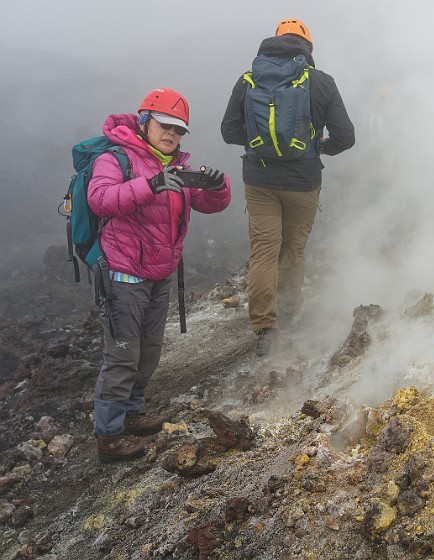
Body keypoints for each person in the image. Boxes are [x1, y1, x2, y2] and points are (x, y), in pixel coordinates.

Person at [88, 87, 231, 461]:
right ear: (145, 122)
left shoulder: (175, 168)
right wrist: (148, 186)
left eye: (179, 130)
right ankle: (109, 436)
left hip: (158, 276)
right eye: (165, 125)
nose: (172, 134)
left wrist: (219, 187)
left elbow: (208, 204)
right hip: (123, 276)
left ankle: (133, 413)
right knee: (121, 354)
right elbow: (100, 198)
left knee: (148, 351)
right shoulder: (115, 157)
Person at [221, 18, 355, 356]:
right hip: (303, 181)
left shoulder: (248, 78)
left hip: (260, 179)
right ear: (308, 48)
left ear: (273, 42)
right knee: (292, 249)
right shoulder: (321, 82)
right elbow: (346, 136)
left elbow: (229, 131)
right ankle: (291, 316)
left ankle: (265, 328)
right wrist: (318, 147)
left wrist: (257, 145)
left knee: (264, 249)